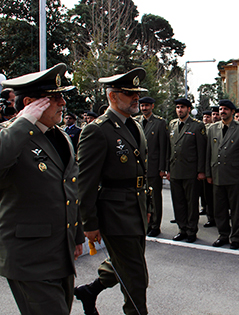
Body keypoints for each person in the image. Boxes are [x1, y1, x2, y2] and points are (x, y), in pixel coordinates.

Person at [0, 63, 84, 314]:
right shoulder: (11, 135)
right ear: (29, 103)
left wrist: (77, 235)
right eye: (54, 97)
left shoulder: (61, 136)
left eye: (62, 96)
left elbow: (70, 188)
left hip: (60, 253)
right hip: (30, 257)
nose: (62, 103)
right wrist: (23, 120)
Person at [75, 68, 150, 315]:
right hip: (115, 212)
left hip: (135, 209)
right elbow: (85, 182)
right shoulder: (98, 130)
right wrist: (89, 222)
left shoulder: (134, 126)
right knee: (136, 277)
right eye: (129, 94)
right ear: (112, 97)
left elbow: (141, 171)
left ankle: (90, 291)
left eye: (136, 93)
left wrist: (147, 207)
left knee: (126, 263)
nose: (135, 98)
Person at [205, 99, 239, 249]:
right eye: (220, 109)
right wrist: (208, 173)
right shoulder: (212, 129)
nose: (222, 111)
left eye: (225, 109)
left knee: (236, 210)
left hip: (234, 176)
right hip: (217, 175)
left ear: (232, 111)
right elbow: (209, 153)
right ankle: (223, 234)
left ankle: (235, 237)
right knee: (219, 209)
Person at [168, 98, 207, 243]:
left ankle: (191, 231)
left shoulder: (197, 126)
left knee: (191, 203)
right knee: (178, 202)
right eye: (177, 107)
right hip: (175, 170)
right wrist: (168, 169)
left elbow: (201, 150)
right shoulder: (172, 124)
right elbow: (169, 148)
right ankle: (182, 229)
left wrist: (201, 171)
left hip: (191, 171)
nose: (179, 110)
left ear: (189, 109)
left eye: (182, 107)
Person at [135, 96, 168, 237]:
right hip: (139, 168)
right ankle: (145, 223)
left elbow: (163, 147)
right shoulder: (136, 122)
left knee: (154, 198)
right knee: (141, 198)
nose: (144, 108)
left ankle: (155, 225)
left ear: (152, 106)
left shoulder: (160, 123)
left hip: (154, 167)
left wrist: (162, 168)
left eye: (147, 105)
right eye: (142, 105)